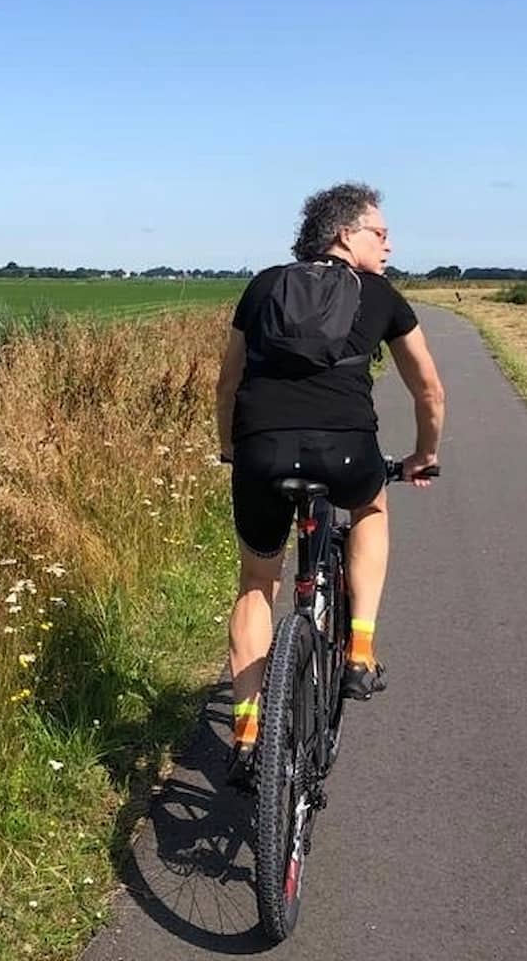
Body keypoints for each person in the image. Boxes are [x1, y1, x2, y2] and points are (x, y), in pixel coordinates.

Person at [215, 182, 445, 789]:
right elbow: (429, 389)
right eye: (381, 233)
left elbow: (227, 382)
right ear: (345, 234)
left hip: (261, 451)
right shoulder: (382, 295)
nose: (389, 244)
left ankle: (245, 734)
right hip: (347, 452)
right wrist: (425, 454)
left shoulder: (264, 285)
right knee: (371, 507)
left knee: (257, 581)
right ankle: (361, 651)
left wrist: (231, 449)